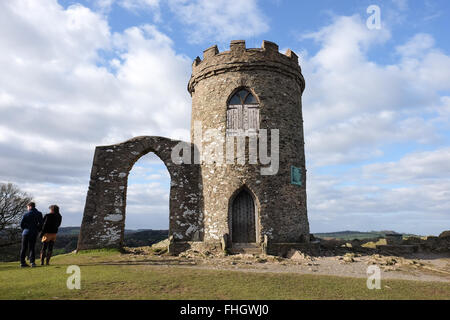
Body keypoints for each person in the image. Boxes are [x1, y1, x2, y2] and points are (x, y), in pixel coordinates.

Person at [20, 202, 43, 268]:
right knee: (32, 247)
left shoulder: (26, 214)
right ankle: (32, 262)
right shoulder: (39, 213)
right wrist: (37, 230)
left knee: (24, 248)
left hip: (26, 232)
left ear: (29, 206)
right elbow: (41, 224)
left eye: (27, 207)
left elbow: (21, 224)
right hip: (33, 232)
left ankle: (22, 263)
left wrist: (25, 229)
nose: (27, 208)